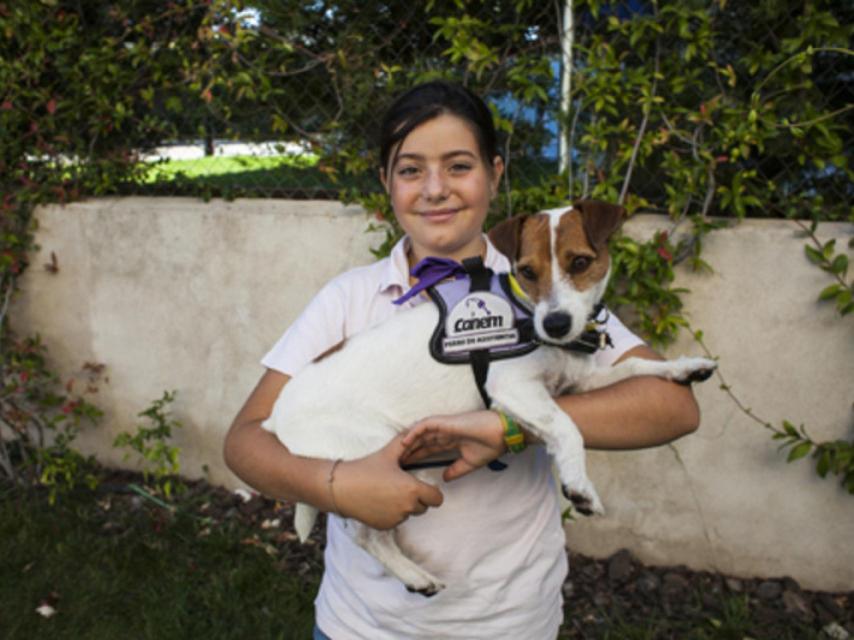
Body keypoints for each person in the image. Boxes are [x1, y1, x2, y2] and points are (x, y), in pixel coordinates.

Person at [223, 80, 702, 639]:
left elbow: (674, 407)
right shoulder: (350, 299)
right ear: (385, 182)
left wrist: (509, 427)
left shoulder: (548, 299)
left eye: (458, 166)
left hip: (511, 621)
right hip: (363, 625)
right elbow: (246, 439)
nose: (435, 189)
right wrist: (335, 487)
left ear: (495, 174)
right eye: (409, 170)